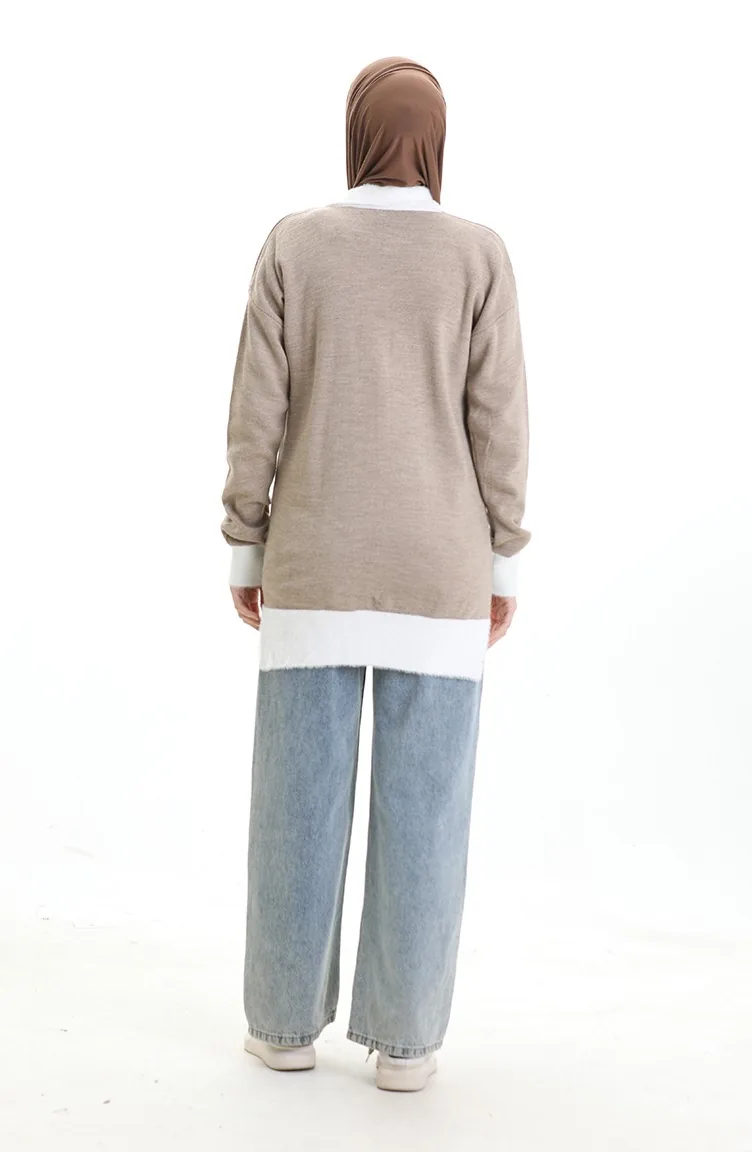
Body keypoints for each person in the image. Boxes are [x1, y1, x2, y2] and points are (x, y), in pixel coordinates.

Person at [220, 55, 531, 1093]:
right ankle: (406, 1045)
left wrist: (246, 541)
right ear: (434, 141)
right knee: (427, 812)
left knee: (295, 803)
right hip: (441, 570)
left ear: (356, 133)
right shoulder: (478, 254)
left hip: (313, 559)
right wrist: (502, 560)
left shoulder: (295, 243)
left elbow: (255, 410)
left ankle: (281, 1027)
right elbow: (499, 421)